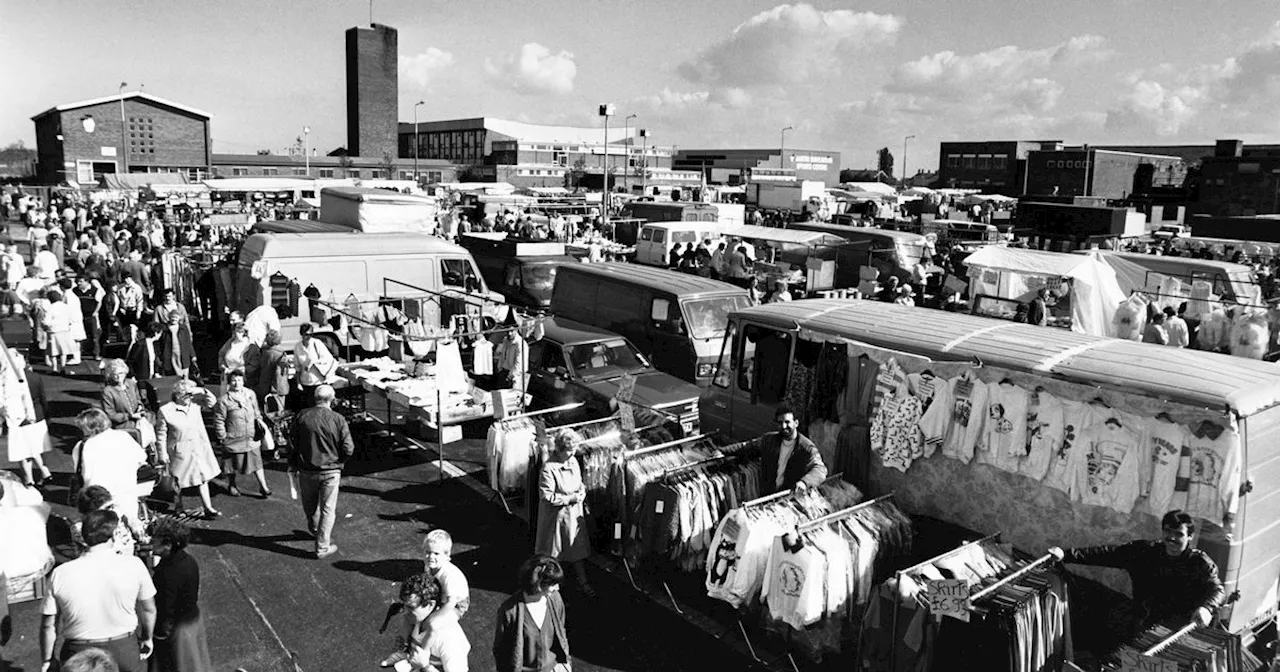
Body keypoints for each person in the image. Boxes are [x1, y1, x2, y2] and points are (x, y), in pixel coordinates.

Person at [1049, 510, 1225, 652]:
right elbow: (1106, 554)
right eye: (1167, 532)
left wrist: (1206, 608)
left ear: (1190, 537)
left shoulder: (1200, 563)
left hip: (1178, 632)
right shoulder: (1145, 552)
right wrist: (1066, 555)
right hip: (1143, 625)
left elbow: (1217, 590)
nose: (1171, 539)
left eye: (1178, 534)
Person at [40, 509, 157, 672]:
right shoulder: (134, 565)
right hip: (123, 648)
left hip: (78, 653)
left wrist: (48, 658)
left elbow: (49, 625)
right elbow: (149, 609)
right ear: (114, 535)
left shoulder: (60, 573)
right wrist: (147, 637)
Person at [290, 384, 353, 559]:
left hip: (307, 470)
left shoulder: (302, 416)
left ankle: (315, 528)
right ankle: (322, 546)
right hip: (331, 470)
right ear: (331, 400)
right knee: (327, 509)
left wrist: (293, 463)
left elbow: (292, 442)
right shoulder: (338, 419)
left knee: (310, 506)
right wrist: (340, 461)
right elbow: (348, 448)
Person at [535, 429, 595, 597]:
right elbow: (546, 496)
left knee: (577, 550)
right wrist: (571, 498)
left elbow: (579, 482)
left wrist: (582, 491)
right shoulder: (548, 468)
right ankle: (549, 584)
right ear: (560, 449)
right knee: (554, 553)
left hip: (574, 514)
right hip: (557, 518)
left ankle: (582, 582)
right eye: (569, 449)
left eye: (574, 449)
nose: (573, 453)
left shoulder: (574, 461)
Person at [149, 517, 213, 672]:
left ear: (168, 544)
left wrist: (158, 635)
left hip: (179, 629)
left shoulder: (168, 573)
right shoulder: (189, 560)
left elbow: (166, 608)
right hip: (193, 620)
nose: (151, 543)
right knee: (197, 663)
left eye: (154, 541)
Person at [492, 555, 571, 672]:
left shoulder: (554, 599)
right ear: (538, 584)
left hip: (554, 667)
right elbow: (501, 650)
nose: (557, 588)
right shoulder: (509, 611)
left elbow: (561, 631)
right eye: (552, 584)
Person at [156, 380, 222, 519]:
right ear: (178, 396)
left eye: (191, 395)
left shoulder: (195, 406)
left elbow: (212, 402)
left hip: (198, 448)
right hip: (180, 451)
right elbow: (161, 434)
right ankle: (179, 507)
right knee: (178, 482)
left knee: (202, 478)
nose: (190, 398)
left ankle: (208, 507)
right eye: (187, 395)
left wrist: (202, 390)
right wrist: (162, 454)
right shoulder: (165, 411)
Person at [380, 574, 471, 671]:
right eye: (404, 605)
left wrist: (425, 666)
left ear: (430, 605)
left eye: (411, 607)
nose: (404, 612)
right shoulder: (418, 618)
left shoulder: (450, 640)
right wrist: (405, 651)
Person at [74, 409, 148, 522]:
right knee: (129, 528)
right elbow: (141, 458)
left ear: (89, 428)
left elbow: (82, 473)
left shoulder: (83, 446)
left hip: (98, 500)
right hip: (127, 494)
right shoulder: (124, 436)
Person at [213, 369, 271, 498]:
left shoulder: (250, 394)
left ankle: (263, 487)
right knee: (231, 464)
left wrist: (260, 423)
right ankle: (232, 485)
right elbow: (219, 420)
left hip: (250, 435)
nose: (236, 383)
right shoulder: (223, 400)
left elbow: (256, 411)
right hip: (233, 438)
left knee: (256, 462)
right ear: (229, 383)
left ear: (243, 381)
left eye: (239, 380)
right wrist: (222, 436)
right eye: (233, 380)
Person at [757, 405, 827, 495]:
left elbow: (820, 470)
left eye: (787, 422)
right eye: (780, 423)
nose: (783, 426)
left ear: (796, 423)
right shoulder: (769, 440)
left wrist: (804, 482)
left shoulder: (806, 448)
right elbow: (746, 446)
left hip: (791, 498)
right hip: (768, 496)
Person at [70, 485, 145, 558]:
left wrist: (133, 524)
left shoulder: (118, 513)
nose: (112, 511)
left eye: (112, 506)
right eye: (107, 509)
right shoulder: (81, 528)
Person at [422, 529, 470, 620]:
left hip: (456, 604)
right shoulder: (429, 565)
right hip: (440, 596)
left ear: (446, 555)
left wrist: (435, 617)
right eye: (427, 552)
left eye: (436, 553)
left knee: (437, 623)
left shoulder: (449, 575)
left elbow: (451, 603)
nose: (431, 557)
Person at [293, 323, 336, 407]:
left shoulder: (317, 343)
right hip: (305, 382)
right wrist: (298, 382)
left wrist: (312, 362)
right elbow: (297, 366)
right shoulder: (298, 347)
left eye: (311, 334)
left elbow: (328, 359)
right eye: (306, 334)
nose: (308, 337)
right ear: (302, 334)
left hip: (318, 380)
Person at [41, 289, 75, 374]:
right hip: (65, 330)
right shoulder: (65, 306)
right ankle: (63, 367)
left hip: (53, 331)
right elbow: (70, 319)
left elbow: (46, 321)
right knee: (63, 351)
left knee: (53, 351)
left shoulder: (50, 308)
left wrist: (44, 326)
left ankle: (54, 368)